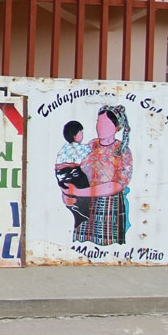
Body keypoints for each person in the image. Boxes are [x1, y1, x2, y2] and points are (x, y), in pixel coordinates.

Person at [61, 105, 133, 246]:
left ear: (116, 128)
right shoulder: (91, 145)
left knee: (105, 246)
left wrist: (79, 192)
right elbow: (75, 171)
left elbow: (118, 184)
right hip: (84, 206)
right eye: (98, 122)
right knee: (82, 244)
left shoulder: (122, 150)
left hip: (108, 206)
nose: (100, 127)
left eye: (105, 124)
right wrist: (68, 194)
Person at [55, 120, 91, 228]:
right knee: (84, 186)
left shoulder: (64, 148)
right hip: (71, 172)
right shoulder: (78, 148)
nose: (82, 134)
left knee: (71, 195)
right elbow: (90, 151)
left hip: (61, 175)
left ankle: (77, 212)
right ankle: (82, 212)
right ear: (75, 135)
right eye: (81, 132)